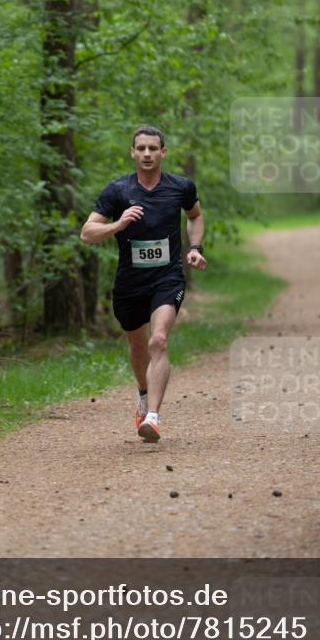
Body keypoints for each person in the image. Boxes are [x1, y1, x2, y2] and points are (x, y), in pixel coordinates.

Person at [80, 125, 206, 443]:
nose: (147, 154)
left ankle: (153, 416)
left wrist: (195, 248)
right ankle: (143, 391)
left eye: (153, 148)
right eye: (142, 149)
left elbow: (195, 215)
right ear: (132, 153)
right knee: (138, 347)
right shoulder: (117, 191)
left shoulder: (180, 187)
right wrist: (118, 224)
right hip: (129, 283)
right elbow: (87, 233)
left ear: (163, 152)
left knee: (158, 341)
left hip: (167, 278)